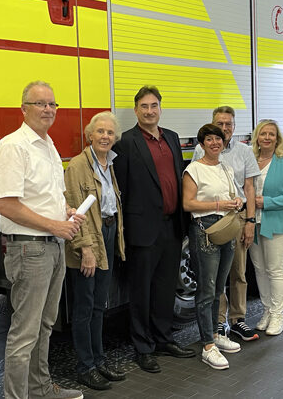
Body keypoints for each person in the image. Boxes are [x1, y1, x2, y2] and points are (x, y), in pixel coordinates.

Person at [0, 81, 85, 399]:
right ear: (24, 108)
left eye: (52, 104)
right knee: (25, 332)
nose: (48, 109)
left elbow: (45, 196)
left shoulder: (47, 145)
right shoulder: (13, 146)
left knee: (45, 325)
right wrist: (54, 226)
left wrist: (66, 211)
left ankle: (41, 389)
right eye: (40, 103)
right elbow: (5, 205)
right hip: (30, 248)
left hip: (52, 245)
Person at [112, 86, 196, 374]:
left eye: (154, 106)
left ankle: (163, 339)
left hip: (172, 225)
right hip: (142, 229)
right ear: (136, 111)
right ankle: (143, 347)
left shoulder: (171, 137)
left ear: (161, 108)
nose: (149, 111)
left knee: (164, 288)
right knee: (141, 291)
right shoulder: (125, 143)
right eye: (144, 106)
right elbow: (120, 190)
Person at [63, 112, 127, 390]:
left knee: (100, 304)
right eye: (100, 132)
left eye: (110, 133)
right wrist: (86, 249)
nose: (105, 136)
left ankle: (99, 360)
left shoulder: (108, 163)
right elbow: (76, 212)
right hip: (90, 238)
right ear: (90, 136)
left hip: (108, 232)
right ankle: (85, 366)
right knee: (84, 306)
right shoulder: (78, 165)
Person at [192, 106, 260, 341]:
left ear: (234, 126)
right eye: (219, 124)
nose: (224, 129)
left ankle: (238, 319)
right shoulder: (199, 151)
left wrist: (250, 221)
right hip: (211, 221)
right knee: (215, 276)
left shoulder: (244, 152)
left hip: (237, 219)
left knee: (238, 272)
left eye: (228, 124)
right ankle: (218, 322)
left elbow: (250, 188)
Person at [183, 124, 244, 369]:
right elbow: (188, 204)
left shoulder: (225, 167)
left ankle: (217, 335)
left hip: (227, 226)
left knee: (219, 287)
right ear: (202, 144)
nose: (214, 143)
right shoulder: (193, 170)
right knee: (206, 291)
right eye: (209, 139)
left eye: (218, 139)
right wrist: (219, 205)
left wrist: (237, 200)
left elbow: (236, 195)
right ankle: (207, 345)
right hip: (205, 230)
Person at [248, 120, 283, 336]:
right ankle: (267, 311)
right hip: (253, 222)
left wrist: (266, 202)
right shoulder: (250, 160)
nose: (267, 138)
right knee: (259, 270)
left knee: (274, 270)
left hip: (277, 223)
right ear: (257, 138)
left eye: (271, 134)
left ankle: (278, 316)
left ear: (277, 139)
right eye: (263, 134)